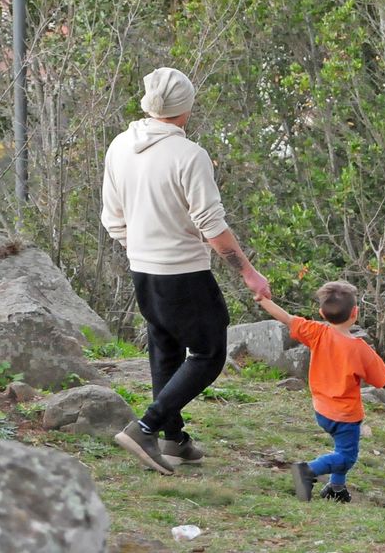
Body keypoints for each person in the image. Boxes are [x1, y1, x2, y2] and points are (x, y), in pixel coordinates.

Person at [104, 67, 272, 475]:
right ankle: (145, 427)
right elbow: (213, 227)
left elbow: (113, 219)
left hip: (142, 271)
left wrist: (140, 249)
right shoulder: (189, 156)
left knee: (165, 349)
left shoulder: (120, 146)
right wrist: (249, 273)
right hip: (183, 274)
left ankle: (174, 439)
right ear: (187, 109)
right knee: (209, 352)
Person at [253, 281, 385, 503]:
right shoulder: (360, 350)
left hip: (321, 410)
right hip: (345, 416)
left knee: (341, 449)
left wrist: (264, 299)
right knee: (346, 456)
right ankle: (308, 470)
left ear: (321, 312)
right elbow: (380, 380)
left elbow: (286, 318)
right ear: (355, 312)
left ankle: (336, 488)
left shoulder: (317, 332)